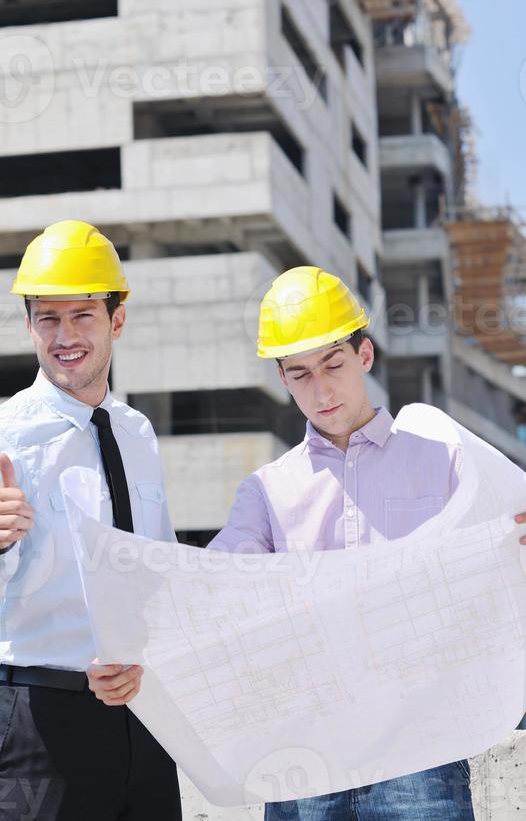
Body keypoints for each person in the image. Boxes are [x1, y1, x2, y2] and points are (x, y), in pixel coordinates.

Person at [206, 265, 526, 821]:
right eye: (300, 373)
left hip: (420, 750)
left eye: (333, 363)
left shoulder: (444, 463)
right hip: (305, 757)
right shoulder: (266, 492)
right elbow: (215, 588)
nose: (322, 389)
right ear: (283, 379)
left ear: (365, 356)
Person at [0, 220, 182, 821]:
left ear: (117, 320)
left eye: (82, 316)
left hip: (144, 722)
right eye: (48, 318)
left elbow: (160, 575)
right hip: (38, 726)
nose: (64, 336)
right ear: (30, 326)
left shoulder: (137, 435)